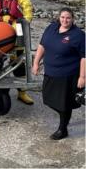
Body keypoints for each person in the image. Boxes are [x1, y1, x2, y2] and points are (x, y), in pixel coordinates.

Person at [32, 8, 85, 140]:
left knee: (64, 104)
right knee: (48, 99)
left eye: (68, 18)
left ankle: (63, 129)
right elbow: (42, 45)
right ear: (58, 17)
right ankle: (64, 117)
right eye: (62, 17)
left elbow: (84, 57)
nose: (65, 20)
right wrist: (36, 62)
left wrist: (82, 77)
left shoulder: (78, 35)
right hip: (51, 73)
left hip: (67, 76)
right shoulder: (51, 28)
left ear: (73, 19)